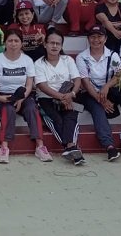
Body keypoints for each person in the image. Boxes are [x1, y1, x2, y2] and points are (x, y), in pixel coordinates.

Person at [0, 28, 52, 164]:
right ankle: (4, 147)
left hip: (23, 95)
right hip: (2, 96)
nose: (13, 44)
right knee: (8, 109)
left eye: (16, 41)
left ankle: (40, 146)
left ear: (21, 43)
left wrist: (22, 98)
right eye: (10, 41)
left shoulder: (27, 60)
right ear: (5, 43)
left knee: (32, 108)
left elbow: (29, 85)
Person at [34, 30, 85, 165]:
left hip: (69, 95)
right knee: (57, 119)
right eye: (51, 43)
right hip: (46, 98)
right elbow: (42, 86)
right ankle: (71, 146)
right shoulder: (39, 63)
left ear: (62, 46)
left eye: (58, 43)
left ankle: (69, 147)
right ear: (45, 44)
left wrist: (72, 94)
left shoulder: (67, 60)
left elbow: (77, 79)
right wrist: (63, 97)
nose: (55, 46)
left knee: (70, 116)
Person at [76, 25, 121, 130]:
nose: (96, 40)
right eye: (92, 37)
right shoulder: (82, 57)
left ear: (105, 39)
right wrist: (101, 100)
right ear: (88, 39)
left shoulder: (111, 55)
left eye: (99, 36)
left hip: (107, 91)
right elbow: (85, 82)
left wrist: (107, 86)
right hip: (90, 92)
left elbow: (120, 72)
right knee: (110, 113)